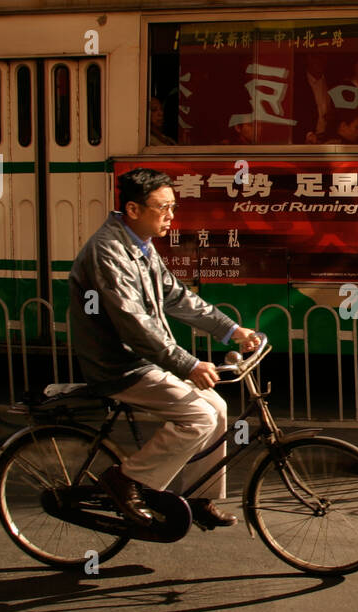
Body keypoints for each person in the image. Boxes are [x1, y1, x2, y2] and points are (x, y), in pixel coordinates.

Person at [68, 168, 260, 529]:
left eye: (173, 206)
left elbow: (177, 297)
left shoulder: (140, 245)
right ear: (134, 209)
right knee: (199, 417)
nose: (171, 216)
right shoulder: (107, 252)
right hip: (119, 366)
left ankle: (199, 497)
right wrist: (187, 364)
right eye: (164, 208)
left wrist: (231, 330)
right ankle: (125, 481)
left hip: (144, 361)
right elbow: (132, 323)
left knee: (217, 407)